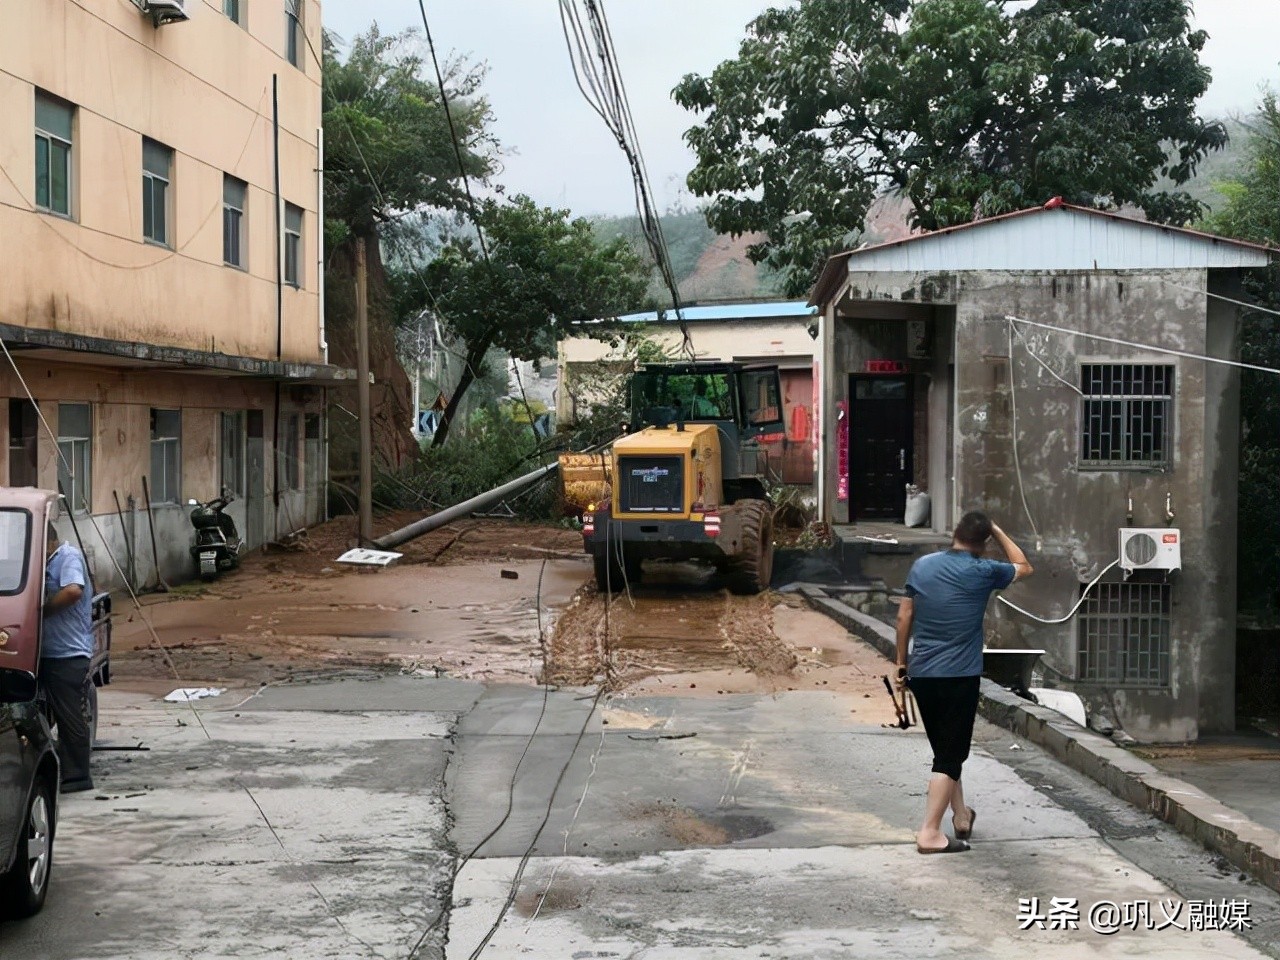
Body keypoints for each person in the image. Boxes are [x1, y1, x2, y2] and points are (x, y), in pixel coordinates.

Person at [895, 512, 1032, 854]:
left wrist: (900, 663)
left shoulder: (922, 566)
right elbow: (1023, 565)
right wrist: (997, 529)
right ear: (983, 543)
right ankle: (929, 833)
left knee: (945, 749)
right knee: (950, 756)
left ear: (954, 534)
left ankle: (960, 816)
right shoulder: (985, 571)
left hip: (922, 673)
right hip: (958, 676)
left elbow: (904, 615)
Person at [41, 524, 96, 793]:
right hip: (45, 651)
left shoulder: (67, 556)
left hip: (68, 653)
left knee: (69, 715)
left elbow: (73, 590)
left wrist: (43, 610)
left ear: (49, 540)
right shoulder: (44, 561)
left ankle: (77, 777)